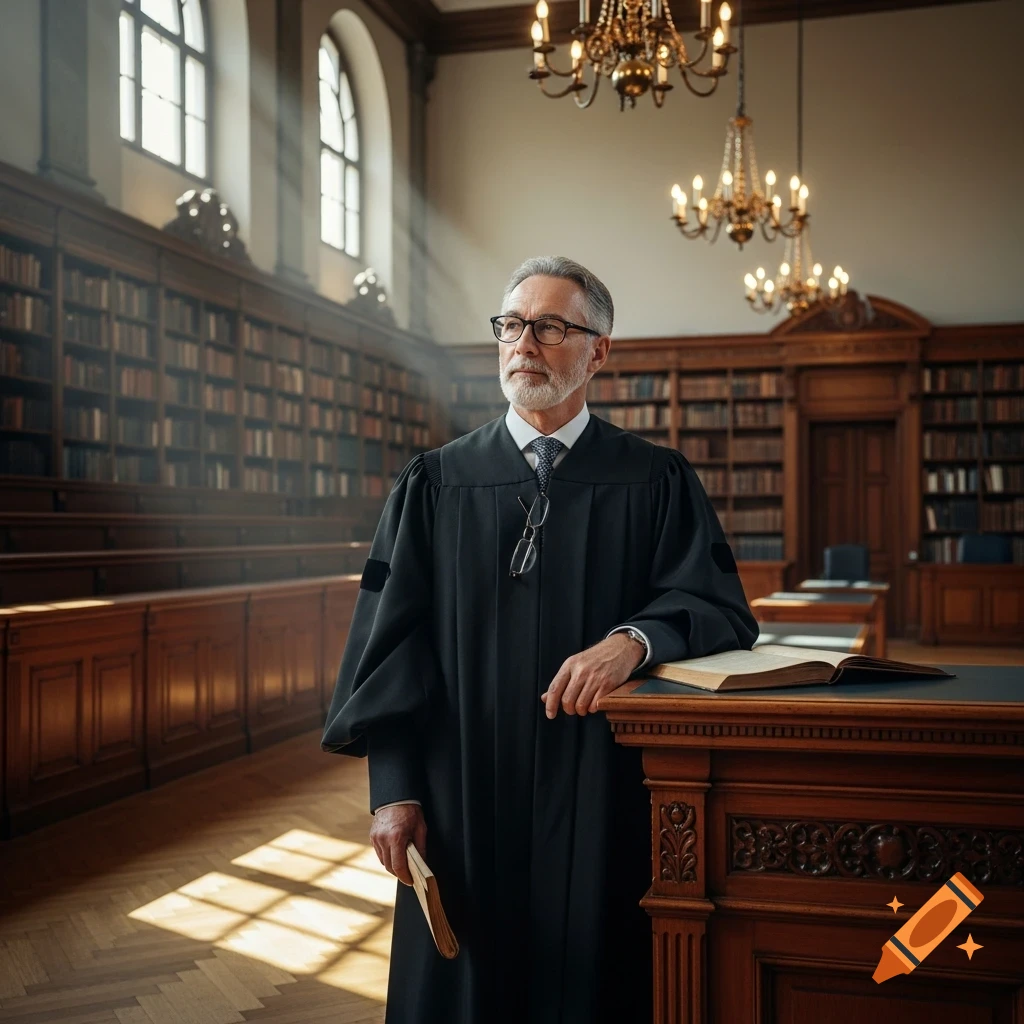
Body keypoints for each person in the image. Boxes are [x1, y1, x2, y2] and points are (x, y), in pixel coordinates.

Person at [322, 256, 758, 1024]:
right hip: (462, 790)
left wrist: (634, 640)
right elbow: (389, 649)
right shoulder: (436, 483)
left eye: (551, 326)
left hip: (605, 786)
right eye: (512, 325)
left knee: (595, 976)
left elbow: (718, 605)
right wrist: (394, 789)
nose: (525, 342)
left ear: (599, 350)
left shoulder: (655, 479)